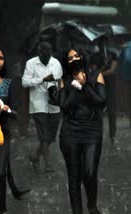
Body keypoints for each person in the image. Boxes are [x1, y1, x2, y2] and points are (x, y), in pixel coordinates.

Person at [0, 45, 29, 214]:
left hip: (2, 133)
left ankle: (1, 210)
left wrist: (5, 109)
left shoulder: (9, 84)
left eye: (1, 58)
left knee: (0, 173)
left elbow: (16, 111)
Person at [59, 47, 106, 214]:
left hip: (92, 131)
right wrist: (76, 86)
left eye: (77, 56)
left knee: (89, 172)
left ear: (83, 57)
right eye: (70, 58)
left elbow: (101, 102)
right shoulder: (64, 80)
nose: (74, 60)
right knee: (74, 178)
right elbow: (64, 106)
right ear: (66, 62)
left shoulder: (96, 75)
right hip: (70, 133)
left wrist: (85, 85)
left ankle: (92, 206)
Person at [22, 41, 63, 171]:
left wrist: (59, 91)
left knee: (51, 136)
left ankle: (35, 156)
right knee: (44, 134)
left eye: (49, 55)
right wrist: (42, 79)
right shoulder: (31, 63)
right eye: (44, 55)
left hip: (54, 104)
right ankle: (47, 164)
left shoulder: (56, 63)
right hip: (38, 103)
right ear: (39, 53)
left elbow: (60, 80)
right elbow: (25, 82)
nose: (47, 57)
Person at [101, 49, 117, 143]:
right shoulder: (96, 55)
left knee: (111, 111)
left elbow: (112, 70)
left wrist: (100, 73)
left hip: (110, 86)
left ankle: (113, 135)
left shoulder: (112, 54)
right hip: (99, 86)